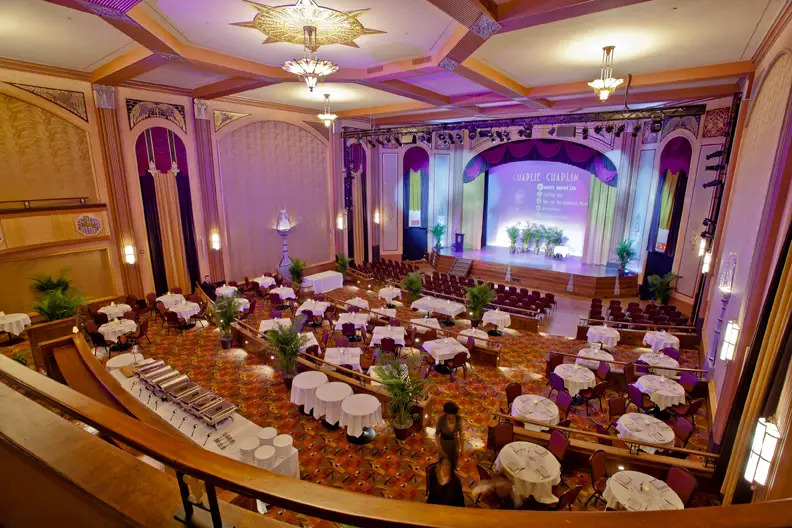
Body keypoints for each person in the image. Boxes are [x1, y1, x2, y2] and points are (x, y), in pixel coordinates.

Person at [435, 401, 463, 471]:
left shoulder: (458, 419)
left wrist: (461, 448)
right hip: (444, 443)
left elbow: (461, 434)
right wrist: (440, 449)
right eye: (449, 414)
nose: (451, 416)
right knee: (443, 464)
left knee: (453, 463)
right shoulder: (441, 420)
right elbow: (436, 434)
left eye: (453, 414)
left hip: (454, 443)